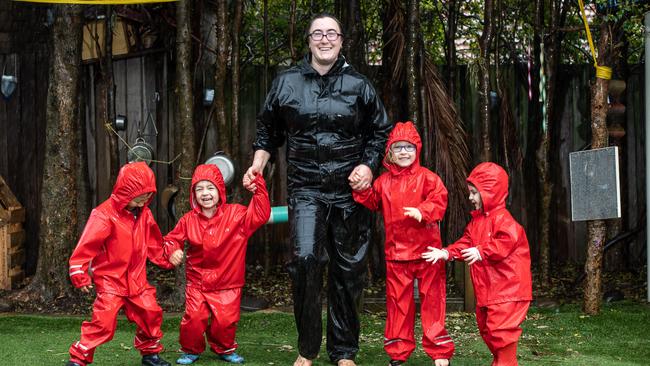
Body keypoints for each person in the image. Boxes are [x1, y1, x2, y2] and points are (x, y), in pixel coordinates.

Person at [243, 13, 391, 366]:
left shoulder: (359, 85)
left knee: (348, 269)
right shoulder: (287, 83)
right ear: (308, 41)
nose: (325, 40)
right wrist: (257, 165)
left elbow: (380, 132)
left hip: (349, 191)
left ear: (341, 40)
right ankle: (307, 349)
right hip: (306, 187)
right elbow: (267, 132)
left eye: (332, 34)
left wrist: (367, 166)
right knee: (306, 261)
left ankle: (343, 352)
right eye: (317, 34)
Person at [352, 121, 454, 366]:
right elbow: (373, 200)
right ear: (390, 152)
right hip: (397, 255)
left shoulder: (428, 178)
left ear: (417, 149)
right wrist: (359, 186)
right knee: (398, 306)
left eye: (409, 147)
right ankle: (398, 353)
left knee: (433, 302)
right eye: (398, 148)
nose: (404, 153)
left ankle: (439, 352)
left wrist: (423, 211)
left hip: (428, 253)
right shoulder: (383, 182)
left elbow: (440, 198)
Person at [422, 162, 532, 366]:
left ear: (490, 192)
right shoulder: (477, 222)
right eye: (470, 192)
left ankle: (506, 363)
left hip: (508, 288)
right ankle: (503, 361)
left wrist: (481, 251)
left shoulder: (504, 220)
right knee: (488, 329)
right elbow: (466, 242)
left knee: (501, 331)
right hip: (489, 290)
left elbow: (506, 242)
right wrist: (446, 252)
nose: (471, 198)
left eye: (474, 193)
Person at [66, 162, 174, 366]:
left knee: (150, 313)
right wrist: (79, 272)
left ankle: (150, 354)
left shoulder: (145, 214)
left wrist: (167, 258)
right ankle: (78, 359)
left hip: (137, 280)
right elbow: (86, 245)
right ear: (127, 190)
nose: (145, 198)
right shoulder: (104, 214)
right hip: (110, 281)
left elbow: (154, 243)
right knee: (103, 323)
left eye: (148, 193)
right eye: (141, 193)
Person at [163, 164, 270, 365]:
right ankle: (191, 349)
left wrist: (258, 188)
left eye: (210, 188)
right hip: (198, 283)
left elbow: (260, 214)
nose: (205, 193)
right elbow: (171, 239)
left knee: (225, 322)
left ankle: (225, 348)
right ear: (193, 193)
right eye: (199, 188)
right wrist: (173, 250)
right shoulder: (188, 220)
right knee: (194, 318)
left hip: (228, 282)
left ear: (220, 191)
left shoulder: (237, 215)